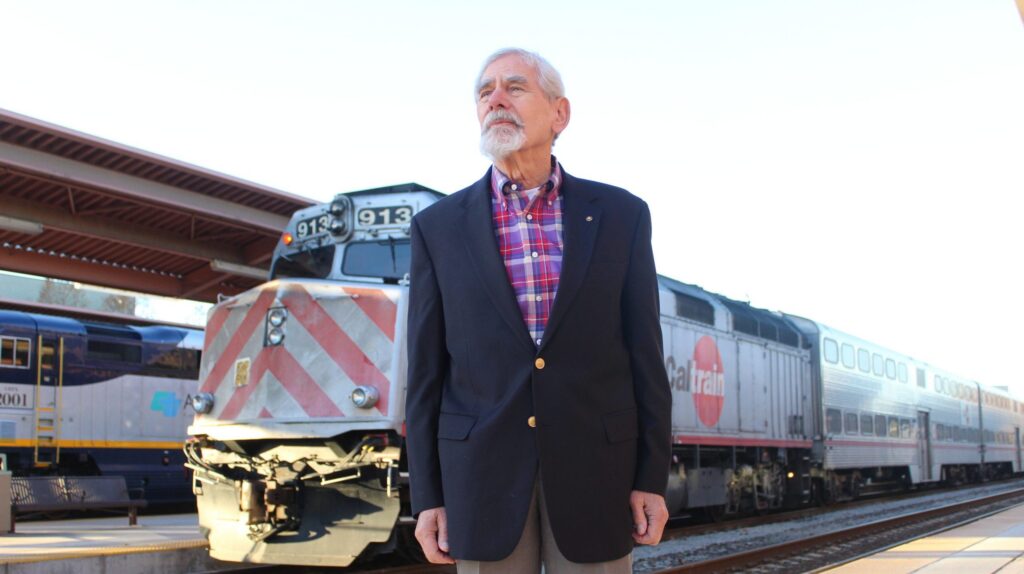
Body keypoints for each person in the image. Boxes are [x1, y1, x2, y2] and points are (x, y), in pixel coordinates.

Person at [405, 47, 672, 573]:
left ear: (559, 114)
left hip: (597, 473)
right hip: (479, 477)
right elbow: (426, 374)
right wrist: (428, 497)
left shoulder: (621, 215)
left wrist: (650, 479)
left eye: (514, 87)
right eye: (485, 92)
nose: (496, 100)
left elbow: (646, 358)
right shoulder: (438, 228)